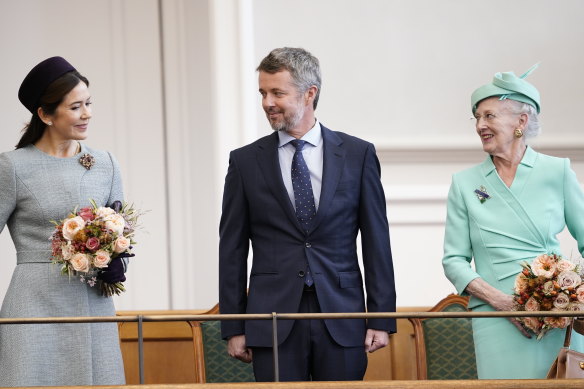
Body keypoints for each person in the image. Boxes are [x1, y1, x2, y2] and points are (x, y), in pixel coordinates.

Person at [219, 47, 396, 381]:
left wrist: (381, 318)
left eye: (277, 93)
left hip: (343, 316)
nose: (267, 102)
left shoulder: (358, 155)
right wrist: (234, 326)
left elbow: (377, 242)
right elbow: (231, 250)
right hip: (271, 319)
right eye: (262, 93)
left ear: (309, 93)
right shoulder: (244, 162)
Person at [442, 66, 584, 378]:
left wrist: (573, 293)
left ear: (521, 121)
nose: (480, 125)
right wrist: (503, 303)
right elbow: (454, 260)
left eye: (489, 116)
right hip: (495, 318)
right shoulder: (467, 184)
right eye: (477, 118)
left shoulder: (556, 171)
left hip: (556, 314)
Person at [0, 56, 127, 386]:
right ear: (45, 114)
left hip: (91, 301)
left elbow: (120, 228)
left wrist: (117, 261)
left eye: (88, 103)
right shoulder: (13, 166)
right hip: (34, 305)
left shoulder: (104, 163)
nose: (87, 114)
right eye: (75, 107)